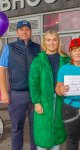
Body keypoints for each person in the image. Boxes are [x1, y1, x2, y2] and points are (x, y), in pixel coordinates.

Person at [0, 20, 40, 150]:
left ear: (31, 31)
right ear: (17, 32)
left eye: (27, 29)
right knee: (17, 128)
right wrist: (4, 92)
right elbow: (2, 70)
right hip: (17, 94)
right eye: (21, 29)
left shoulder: (38, 48)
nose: (24, 31)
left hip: (35, 95)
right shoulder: (9, 48)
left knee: (36, 128)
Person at [29, 30, 70, 150]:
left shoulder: (65, 59)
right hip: (44, 100)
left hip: (61, 100)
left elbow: (73, 75)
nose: (52, 43)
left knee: (57, 130)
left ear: (58, 41)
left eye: (54, 40)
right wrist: (37, 102)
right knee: (42, 132)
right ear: (44, 42)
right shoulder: (38, 60)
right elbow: (33, 83)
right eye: (48, 40)